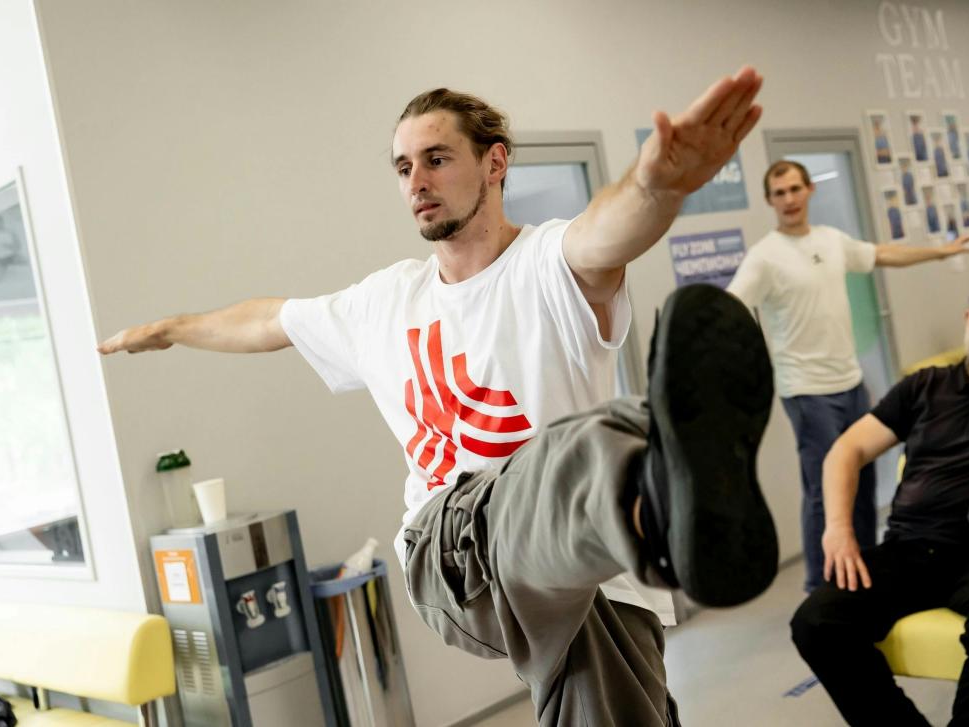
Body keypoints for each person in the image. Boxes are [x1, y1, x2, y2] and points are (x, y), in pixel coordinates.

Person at [99, 69, 780, 726]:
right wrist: (170, 329)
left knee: (625, 700)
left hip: (591, 561)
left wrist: (655, 185)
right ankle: (656, 490)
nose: (416, 182)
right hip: (451, 552)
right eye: (402, 168)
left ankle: (661, 503)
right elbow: (269, 320)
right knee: (585, 446)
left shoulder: (545, 266)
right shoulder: (386, 301)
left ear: (494, 163)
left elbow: (605, 233)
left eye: (435, 158)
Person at [791, 274, 969, 727]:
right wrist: (837, 528)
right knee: (817, 622)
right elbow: (845, 452)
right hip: (910, 549)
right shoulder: (923, 387)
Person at [726, 160, 969, 592]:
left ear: (808, 192)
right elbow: (732, 305)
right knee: (825, 487)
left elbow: (881, 254)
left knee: (861, 479)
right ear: (769, 201)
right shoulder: (764, 256)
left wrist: (940, 252)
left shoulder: (831, 240)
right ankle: (822, 583)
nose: (788, 199)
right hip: (806, 390)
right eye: (779, 193)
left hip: (851, 383)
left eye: (795, 189)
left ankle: (860, 565)